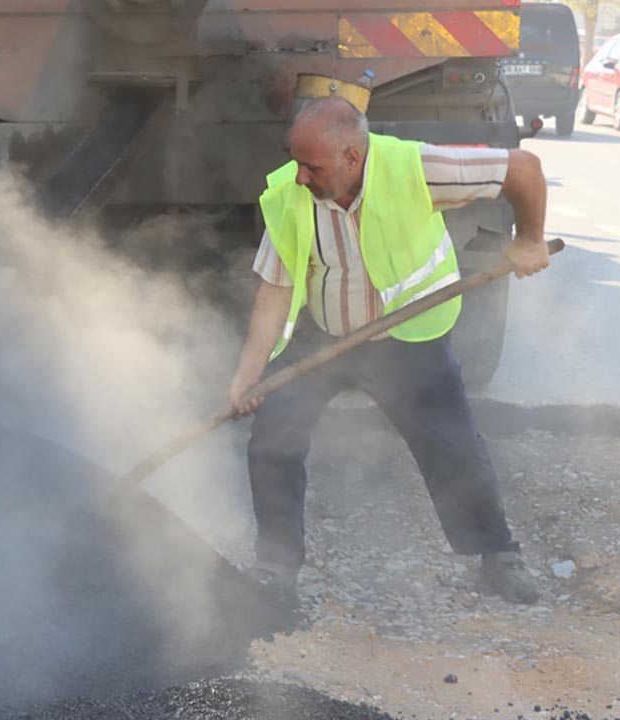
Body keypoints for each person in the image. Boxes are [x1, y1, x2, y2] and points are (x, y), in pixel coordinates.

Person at [229, 97, 549, 609]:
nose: (301, 177)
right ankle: (275, 567)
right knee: (273, 436)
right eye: (296, 163)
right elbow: (274, 290)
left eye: (312, 166)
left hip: (408, 337)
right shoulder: (291, 195)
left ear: (352, 158)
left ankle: (498, 555)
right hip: (326, 334)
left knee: (453, 445)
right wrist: (248, 375)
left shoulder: (414, 168)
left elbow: (523, 168)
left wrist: (530, 240)